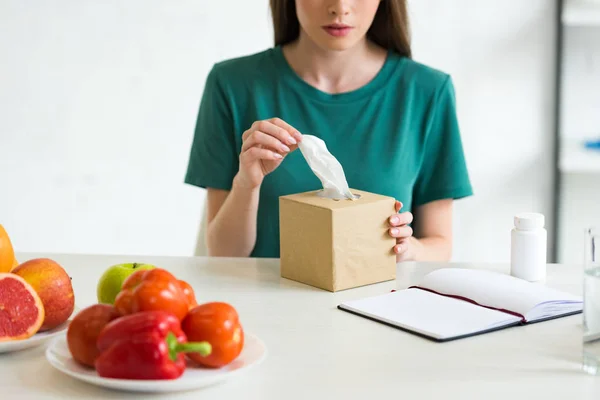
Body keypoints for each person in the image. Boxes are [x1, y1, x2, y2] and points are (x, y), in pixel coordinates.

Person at [184, 0, 473, 262]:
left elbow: (440, 245)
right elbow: (223, 254)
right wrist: (246, 184)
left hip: (381, 310)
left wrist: (409, 249)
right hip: (267, 310)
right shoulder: (232, 85)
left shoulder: (427, 92)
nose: (340, 7)